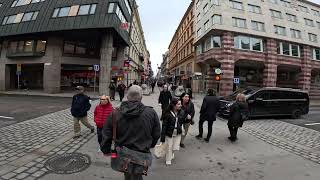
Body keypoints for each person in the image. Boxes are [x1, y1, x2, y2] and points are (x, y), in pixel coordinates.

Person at [100, 85, 161, 180]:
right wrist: (150, 144)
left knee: (127, 173)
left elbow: (106, 133)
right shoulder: (151, 112)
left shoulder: (115, 113)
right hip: (142, 152)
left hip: (122, 153)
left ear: (127, 96)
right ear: (141, 97)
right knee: (137, 175)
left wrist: (105, 149)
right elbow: (156, 133)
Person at [160, 98, 183, 165]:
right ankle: (168, 159)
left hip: (178, 133)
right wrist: (162, 138)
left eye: (180, 104)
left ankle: (171, 153)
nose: (180, 105)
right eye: (178, 104)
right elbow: (164, 126)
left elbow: (182, 121)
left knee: (175, 148)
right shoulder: (167, 114)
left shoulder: (181, 112)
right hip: (169, 133)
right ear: (173, 105)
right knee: (169, 147)